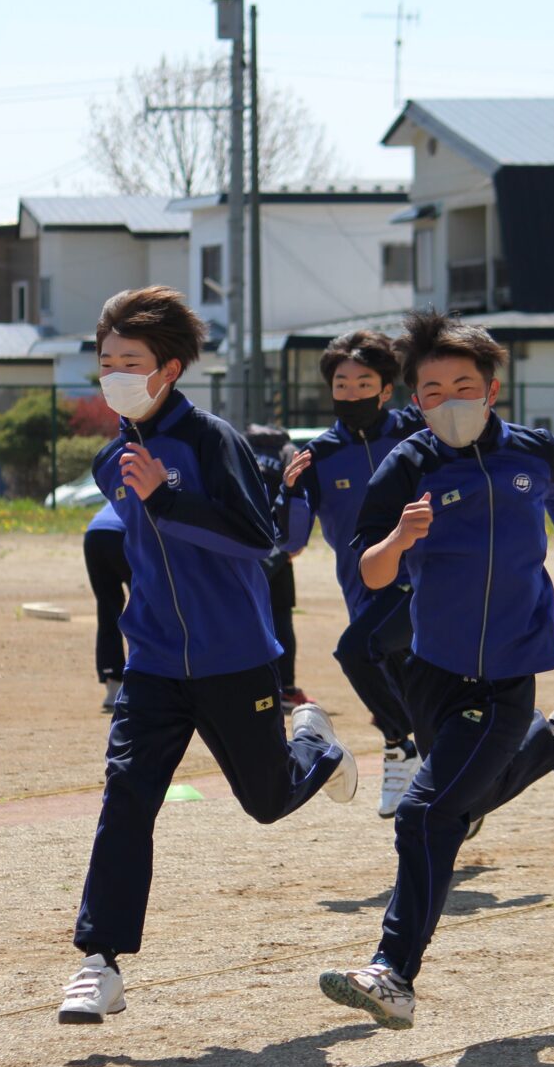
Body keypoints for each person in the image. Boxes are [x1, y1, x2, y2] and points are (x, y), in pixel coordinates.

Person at [318, 309, 554, 1031]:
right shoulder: (410, 462)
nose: (448, 398)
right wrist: (399, 537)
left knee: (428, 813)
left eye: (463, 383)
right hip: (432, 670)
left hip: (508, 671)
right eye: (431, 389)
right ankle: (553, 745)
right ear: (415, 399)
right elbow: (368, 563)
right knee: (456, 808)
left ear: (492, 389)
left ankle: (393, 973)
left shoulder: (534, 454)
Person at [59, 286, 358, 1025]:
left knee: (264, 803)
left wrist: (168, 500)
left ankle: (315, 747)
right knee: (126, 796)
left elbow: (259, 540)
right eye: (106, 362)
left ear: (170, 369)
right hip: (155, 665)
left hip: (234, 661)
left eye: (131, 362)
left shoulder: (211, 440)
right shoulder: (110, 462)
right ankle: (100, 963)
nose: (115, 374)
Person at [281, 330, 425, 819]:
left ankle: (398, 746)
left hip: (424, 583)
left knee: (355, 651)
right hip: (364, 592)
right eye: (342, 384)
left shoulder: (417, 434)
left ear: (387, 389)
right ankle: (452, 773)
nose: (352, 393)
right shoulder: (317, 456)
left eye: (365, 383)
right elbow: (291, 541)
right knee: (415, 697)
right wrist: (289, 493)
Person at [244, 423, 313, 711]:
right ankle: (284, 688)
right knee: (281, 618)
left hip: (244, 541)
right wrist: (297, 538)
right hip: (278, 541)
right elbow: (300, 491)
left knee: (244, 616)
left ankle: (247, 687)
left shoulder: (242, 448)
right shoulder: (287, 451)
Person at [83, 501, 130, 712]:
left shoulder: (117, 492)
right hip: (121, 536)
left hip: (93, 535)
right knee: (148, 608)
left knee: (108, 610)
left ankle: (113, 686)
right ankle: (146, 679)